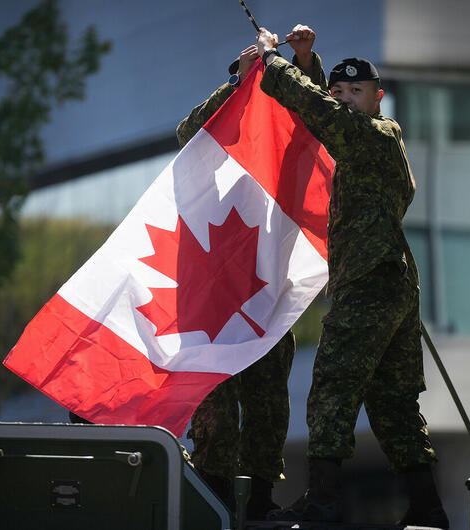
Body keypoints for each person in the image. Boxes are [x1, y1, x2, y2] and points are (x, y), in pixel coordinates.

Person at [254, 26, 450, 528]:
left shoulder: (376, 136)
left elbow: (321, 112)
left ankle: (322, 501)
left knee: (332, 385)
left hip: (369, 283)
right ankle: (428, 509)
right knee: (392, 404)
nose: (344, 98)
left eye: (355, 91)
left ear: (377, 98)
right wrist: (306, 61)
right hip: (390, 283)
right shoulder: (363, 139)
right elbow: (323, 112)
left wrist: (273, 61)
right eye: (339, 90)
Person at [175, 35, 326, 520]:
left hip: (266, 291)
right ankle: (214, 496)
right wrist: (237, 83)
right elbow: (189, 133)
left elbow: (319, 122)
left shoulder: (286, 143)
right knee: (216, 405)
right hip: (216, 297)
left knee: (268, 402)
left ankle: (259, 499)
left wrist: (304, 64)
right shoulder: (219, 132)